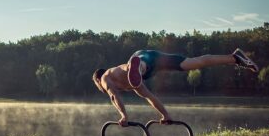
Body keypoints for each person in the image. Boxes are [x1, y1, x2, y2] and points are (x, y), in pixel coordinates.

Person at [92, 49, 259, 126]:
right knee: (195, 63)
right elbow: (151, 97)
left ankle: (139, 66)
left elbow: (114, 97)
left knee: (138, 66)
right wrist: (166, 115)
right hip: (156, 62)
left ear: (98, 81)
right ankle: (235, 58)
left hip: (141, 58)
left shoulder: (106, 77)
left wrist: (123, 116)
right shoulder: (134, 84)